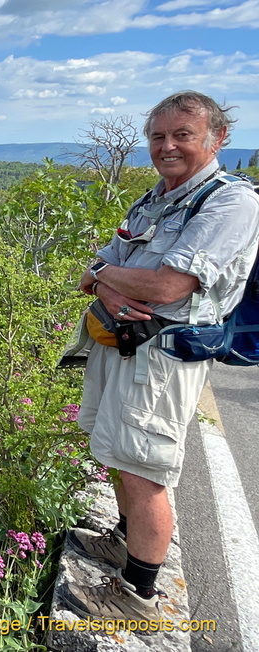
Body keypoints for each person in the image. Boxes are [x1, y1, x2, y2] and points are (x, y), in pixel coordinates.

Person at [62, 91, 259, 622]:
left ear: (218, 139)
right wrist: (105, 283)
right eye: (157, 136)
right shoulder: (155, 198)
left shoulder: (230, 202)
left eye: (182, 135)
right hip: (123, 346)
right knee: (115, 451)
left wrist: (104, 278)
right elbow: (100, 266)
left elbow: (168, 285)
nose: (166, 146)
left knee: (145, 467)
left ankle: (136, 593)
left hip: (163, 359)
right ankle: (124, 540)